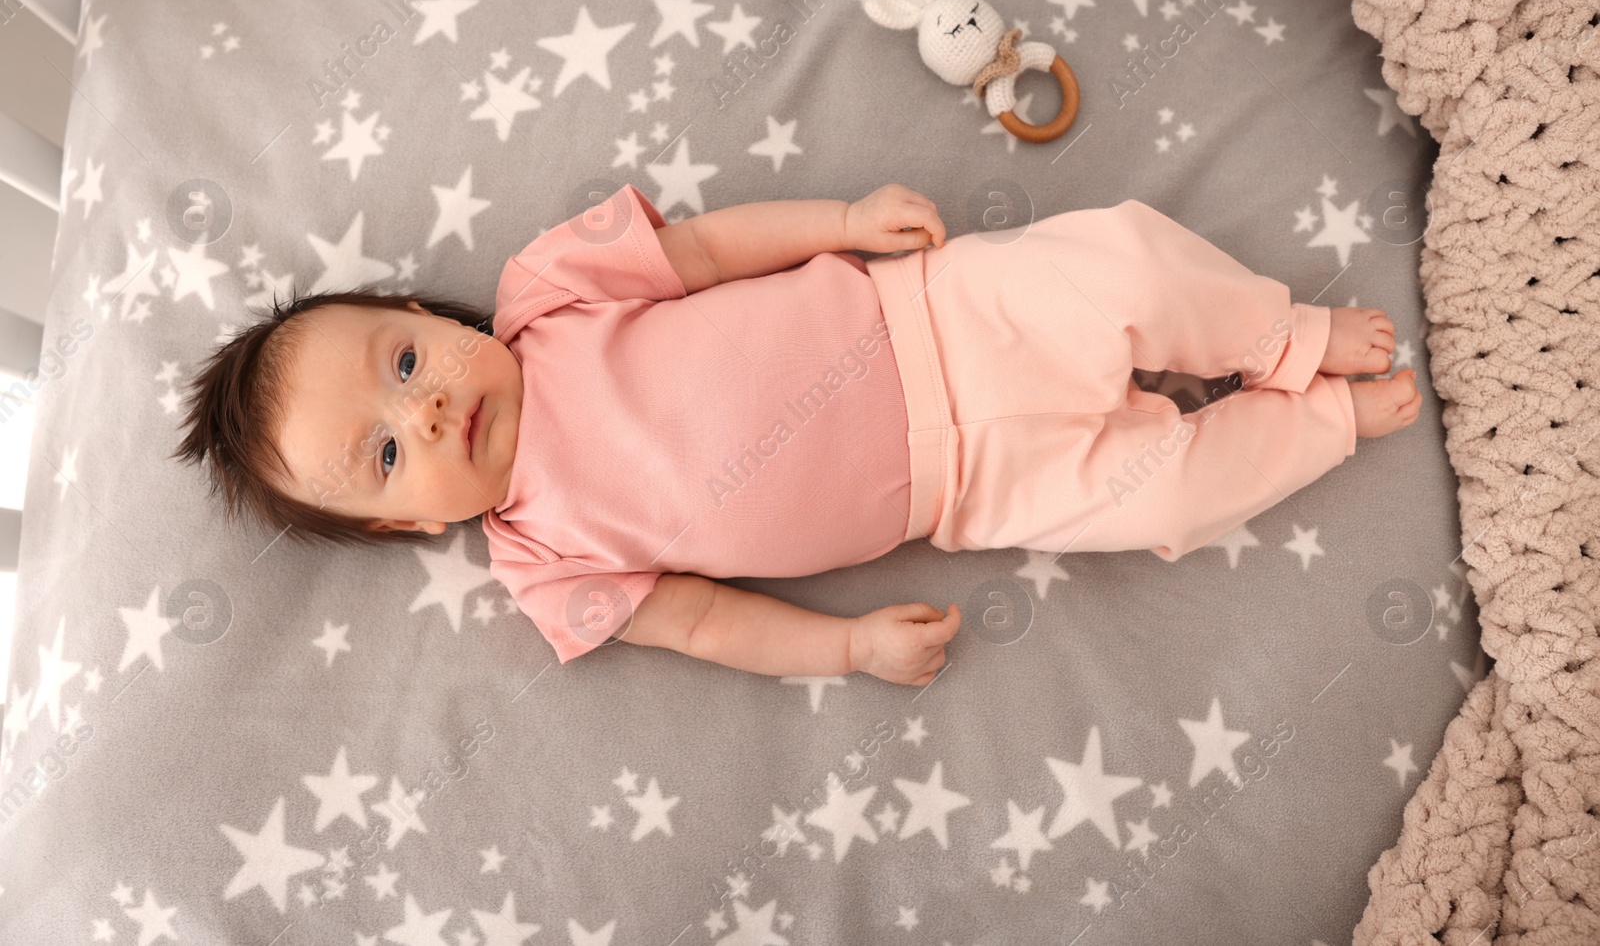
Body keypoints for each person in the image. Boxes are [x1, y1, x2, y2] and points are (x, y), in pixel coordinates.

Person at [172, 183, 1420, 687]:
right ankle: (1321, 427)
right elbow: (710, 620)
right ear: (411, 522)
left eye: (400, 362)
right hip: (974, 487)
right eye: (389, 451)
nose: (428, 405)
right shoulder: (544, 564)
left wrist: (840, 215)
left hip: (943, 312)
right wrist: (844, 648)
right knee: (1167, 502)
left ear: (413, 309)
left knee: (1125, 259)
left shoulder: (546, 292)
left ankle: (1281, 341)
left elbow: (707, 249)